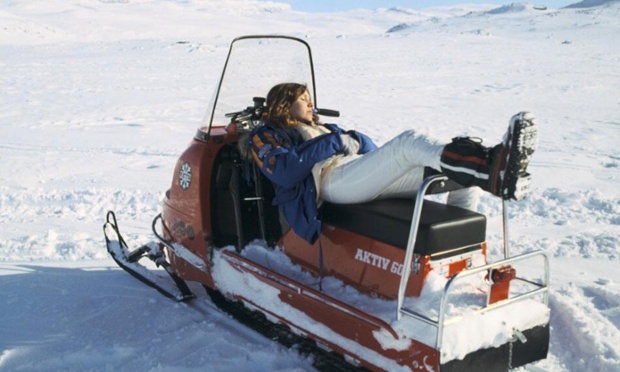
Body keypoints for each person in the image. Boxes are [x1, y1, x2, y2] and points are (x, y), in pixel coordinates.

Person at [245, 83, 537, 244]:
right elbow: (283, 172)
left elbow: (371, 152)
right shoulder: (267, 135)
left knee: (457, 175)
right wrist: (337, 142)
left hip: (355, 175)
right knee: (408, 142)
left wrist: (352, 140)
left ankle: (464, 248)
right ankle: (491, 170)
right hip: (330, 184)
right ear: (284, 104)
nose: (311, 104)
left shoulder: (328, 128)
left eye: (310, 99)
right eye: (303, 99)